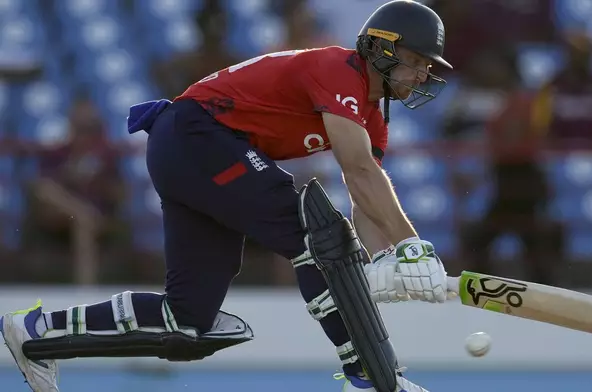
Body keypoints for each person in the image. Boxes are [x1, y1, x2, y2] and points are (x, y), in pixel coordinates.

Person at [1, 1, 453, 391]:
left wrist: (384, 262)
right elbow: (358, 171)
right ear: (381, 46)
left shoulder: (373, 116)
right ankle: (371, 378)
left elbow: (365, 195)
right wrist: (414, 247)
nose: (422, 74)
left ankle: (36, 331)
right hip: (198, 136)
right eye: (416, 60)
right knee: (320, 236)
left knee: (186, 322)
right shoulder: (338, 69)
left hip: (192, 150)